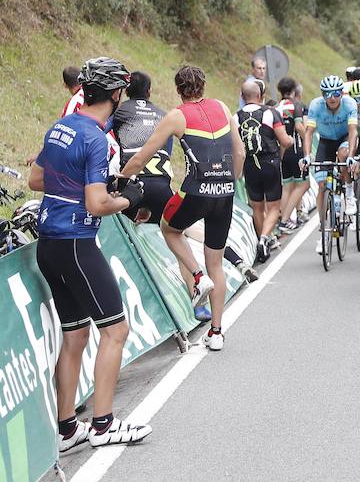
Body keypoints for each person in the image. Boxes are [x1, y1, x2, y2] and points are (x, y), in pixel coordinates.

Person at [30, 57, 152, 451]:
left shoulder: (61, 125)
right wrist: (129, 197)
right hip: (78, 242)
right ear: (117, 94)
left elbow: (36, 178)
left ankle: (67, 430)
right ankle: (102, 425)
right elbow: (98, 204)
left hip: (49, 244)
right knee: (115, 330)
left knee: (76, 333)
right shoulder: (97, 137)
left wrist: (81, 181)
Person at [122, 65, 245, 352]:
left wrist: (122, 176)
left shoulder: (176, 116)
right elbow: (239, 152)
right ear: (204, 86)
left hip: (195, 190)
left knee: (169, 227)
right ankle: (216, 333)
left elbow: (142, 157)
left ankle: (197, 277)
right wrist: (233, 181)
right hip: (225, 193)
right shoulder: (223, 108)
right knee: (216, 262)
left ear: (178, 89)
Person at [235, 79, 294, 262]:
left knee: (257, 207)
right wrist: (291, 140)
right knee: (274, 207)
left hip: (250, 165)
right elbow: (284, 141)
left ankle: (262, 244)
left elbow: (234, 146)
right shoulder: (270, 113)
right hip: (270, 163)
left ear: (242, 97)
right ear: (260, 95)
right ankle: (264, 239)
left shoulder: (235, 117)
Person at [302, 75, 358, 255]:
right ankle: (323, 229)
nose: (332, 98)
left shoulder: (349, 104)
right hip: (325, 141)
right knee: (321, 186)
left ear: (341, 93)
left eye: (335, 93)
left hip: (343, 139)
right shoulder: (316, 105)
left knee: (343, 156)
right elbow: (309, 132)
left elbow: (353, 131)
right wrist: (306, 156)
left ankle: (349, 191)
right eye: (327, 94)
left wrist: (350, 156)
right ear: (322, 95)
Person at [112, 71, 173, 225]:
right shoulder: (164, 116)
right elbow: (168, 152)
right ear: (149, 92)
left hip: (132, 183)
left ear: (126, 91)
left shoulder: (118, 112)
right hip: (162, 186)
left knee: (122, 232)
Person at [276, 78, 309, 232]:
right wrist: (307, 138)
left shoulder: (276, 107)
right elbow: (299, 126)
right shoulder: (296, 105)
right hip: (297, 150)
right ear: (294, 90)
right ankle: (284, 220)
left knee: (287, 187)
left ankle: (285, 219)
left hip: (282, 152)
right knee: (303, 184)